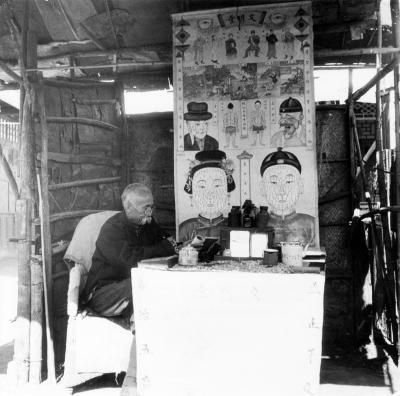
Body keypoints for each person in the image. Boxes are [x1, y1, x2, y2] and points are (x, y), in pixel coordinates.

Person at [81, 183, 177, 321]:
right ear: (128, 207)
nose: (150, 212)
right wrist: (164, 247)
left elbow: (166, 240)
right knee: (142, 284)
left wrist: (177, 246)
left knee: (155, 287)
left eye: (151, 207)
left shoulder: (147, 224)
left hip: (129, 286)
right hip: (103, 292)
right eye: (145, 208)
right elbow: (130, 260)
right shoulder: (112, 229)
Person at [260, 147, 315, 246]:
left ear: (300, 186)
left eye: (289, 181)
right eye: (274, 182)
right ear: (262, 188)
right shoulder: (260, 223)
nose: (282, 191)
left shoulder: (311, 223)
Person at [179, 150, 235, 242]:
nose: (210, 194)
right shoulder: (186, 228)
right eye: (202, 186)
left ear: (227, 194)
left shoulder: (232, 226)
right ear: (192, 196)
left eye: (217, 185)